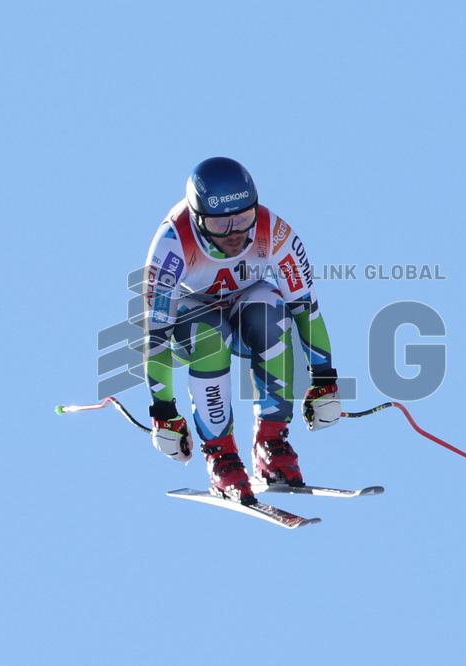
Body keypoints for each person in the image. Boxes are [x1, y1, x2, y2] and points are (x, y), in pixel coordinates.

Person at [141, 157, 341, 505]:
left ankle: (271, 441)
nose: (235, 233)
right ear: (198, 218)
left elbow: (307, 312)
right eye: (220, 224)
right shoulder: (172, 244)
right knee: (209, 332)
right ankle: (221, 456)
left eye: (244, 218)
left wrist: (324, 381)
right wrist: (164, 414)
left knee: (271, 310)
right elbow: (156, 339)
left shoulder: (275, 233)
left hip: (245, 312)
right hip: (192, 323)